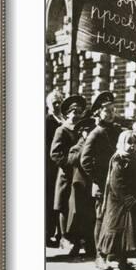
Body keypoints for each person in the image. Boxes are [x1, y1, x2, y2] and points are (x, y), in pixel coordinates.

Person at [80, 91, 121, 270]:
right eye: (106, 111)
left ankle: (113, 253)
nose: (111, 113)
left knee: (115, 217)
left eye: (112, 110)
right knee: (101, 218)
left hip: (117, 184)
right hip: (102, 184)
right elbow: (85, 160)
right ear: (98, 113)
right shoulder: (95, 133)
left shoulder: (117, 131)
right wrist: (98, 178)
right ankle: (99, 255)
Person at [97, 131, 136, 270]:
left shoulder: (134, 159)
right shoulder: (119, 159)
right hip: (117, 201)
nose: (132, 146)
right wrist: (127, 198)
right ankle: (101, 256)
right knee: (113, 230)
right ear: (122, 143)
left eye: (135, 143)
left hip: (128, 201)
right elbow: (116, 183)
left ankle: (122, 260)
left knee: (125, 233)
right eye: (129, 143)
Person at [50, 94, 86, 250]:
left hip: (80, 175)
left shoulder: (82, 130)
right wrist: (68, 164)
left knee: (77, 206)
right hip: (66, 174)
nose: (76, 115)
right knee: (64, 205)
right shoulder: (62, 130)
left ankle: (77, 237)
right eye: (73, 112)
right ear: (67, 114)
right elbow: (55, 153)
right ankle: (64, 237)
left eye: (79, 112)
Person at [66, 115, 97, 257]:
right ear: (82, 133)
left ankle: (90, 244)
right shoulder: (76, 147)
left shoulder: (97, 144)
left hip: (92, 185)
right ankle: (76, 244)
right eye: (86, 131)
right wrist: (85, 146)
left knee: (91, 216)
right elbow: (71, 159)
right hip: (80, 186)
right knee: (77, 216)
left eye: (91, 130)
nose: (89, 133)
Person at [45, 90, 64, 246]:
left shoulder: (64, 119)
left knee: (61, 200)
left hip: (62, 165)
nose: (57, 104)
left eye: (59, 101)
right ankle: (47, 233)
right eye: (54, 102)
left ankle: (60, 234)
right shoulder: (47, 121)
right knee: (50, 199)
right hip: (50, 166)